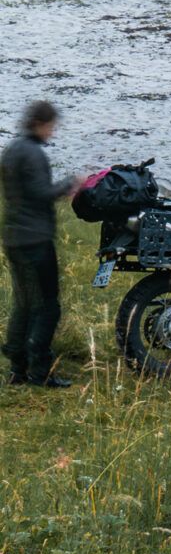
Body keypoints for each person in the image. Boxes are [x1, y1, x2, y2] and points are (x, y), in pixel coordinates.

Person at [2, 100, 75, 387]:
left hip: (13, 239)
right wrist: (71, 183)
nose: (52, 132)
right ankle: (40, 371)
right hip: (36, 240)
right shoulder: (33, 154)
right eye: (51, 126)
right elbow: (41, 192)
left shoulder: (11, 150)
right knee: (47, 306)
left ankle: (17, 368)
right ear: (40, 124)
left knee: (23, 303)